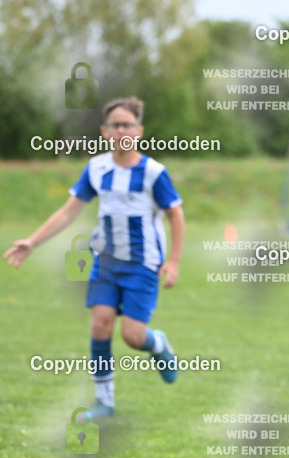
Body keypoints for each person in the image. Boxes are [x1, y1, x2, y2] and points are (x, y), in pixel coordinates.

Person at [4, 96, 184, 418]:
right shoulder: (97, 167)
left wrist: (174, 261)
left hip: (142, 265)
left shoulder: (154, 173)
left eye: (127, 124)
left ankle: (158, 345)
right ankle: (105, 402)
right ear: (104, 131)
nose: (120, 130)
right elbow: (68, 212)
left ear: (139, 130)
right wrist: (32, 242)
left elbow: (176, 215)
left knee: (132, 336)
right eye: (114, 125)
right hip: (105, 262)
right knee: (100, 326)